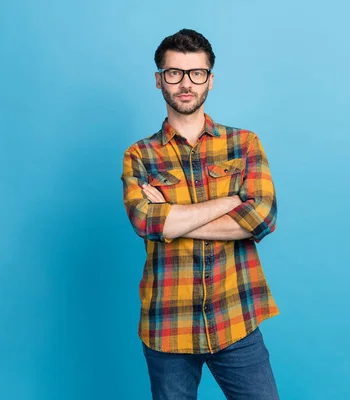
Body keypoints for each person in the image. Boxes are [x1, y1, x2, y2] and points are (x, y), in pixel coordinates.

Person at [120, 28, 281, 400]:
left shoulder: (244, 144)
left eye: (196, 73)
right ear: (159, 80)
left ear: (210, 79)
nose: (186, 83)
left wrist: (173, 218)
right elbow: (146, 222)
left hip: (236, 317)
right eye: (174, 73)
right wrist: (230, 202)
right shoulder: (139, 156)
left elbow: (263, 217)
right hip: (168, 325)